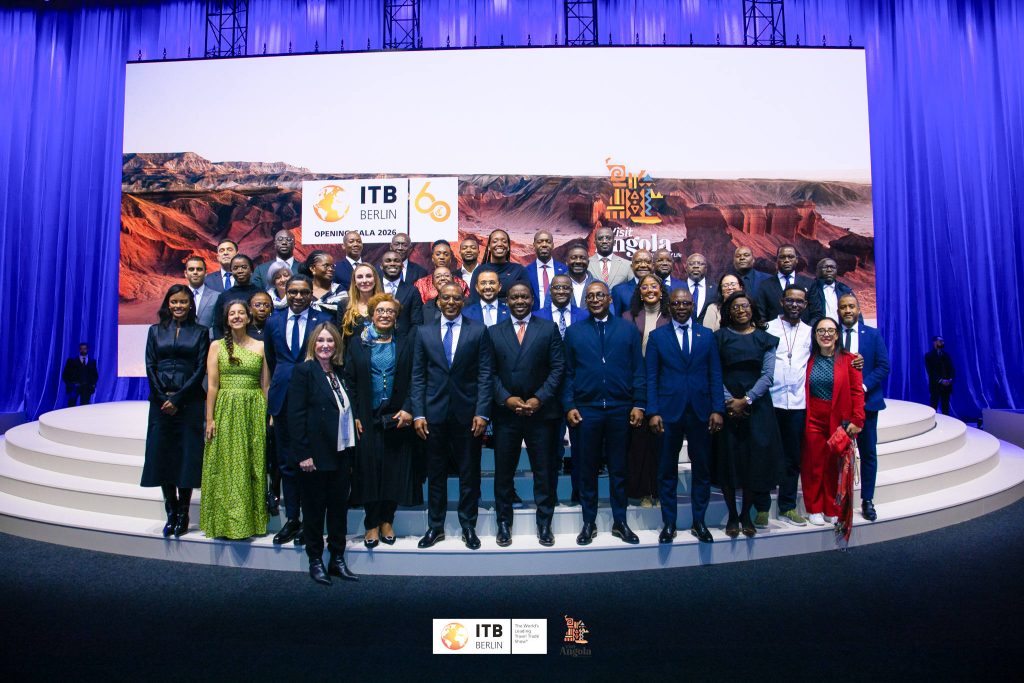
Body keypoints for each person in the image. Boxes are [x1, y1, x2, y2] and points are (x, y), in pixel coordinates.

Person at [563, 281, 646, 546]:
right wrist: (569, 405)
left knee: (619, 469)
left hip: (621, 409)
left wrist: (639, 403)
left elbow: (638, 369)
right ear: (585, 301)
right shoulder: (574, 332)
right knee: (586, 469)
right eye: (590, 296)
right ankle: (589, 522)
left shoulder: (627, 329)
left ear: (610, 299)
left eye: (600, 295)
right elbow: (568, 373)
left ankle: (620, 521)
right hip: (586, 410)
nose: (595, 299)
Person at [411, 284, 494, 550]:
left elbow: (485, 374)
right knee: (436, 474)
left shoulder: (478, 331)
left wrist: (482, 411)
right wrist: (418, 413)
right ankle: (435, 527)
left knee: (469, 473)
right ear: (438, 301)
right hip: (433, 415)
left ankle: (468, 525)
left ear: (463, 301)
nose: (450, 302)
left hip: (468, 414)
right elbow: (418, 376)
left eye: (456, 298)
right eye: (445, 297)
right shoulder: (423, 332)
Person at [489, 284, 565, 547]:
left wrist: (538, 399)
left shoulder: (548, 328)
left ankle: (544, 524)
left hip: (541, 413)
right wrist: (506, 399)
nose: (519, 300)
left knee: (544, 472)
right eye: (514, 297)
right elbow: (488, 372)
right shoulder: (494, 332)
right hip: (506, 414)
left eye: (524, 296)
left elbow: (558, 368)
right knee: (503, 474)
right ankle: (503, 524)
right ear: (507, 301)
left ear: (533, 299)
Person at [646, 288, 724, 543]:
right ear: (669, 306)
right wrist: (652, 411)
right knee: (666, 469)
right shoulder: (657, 336)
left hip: (701, 411)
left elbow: (715, 374)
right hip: (668, 412)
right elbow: (651, 377)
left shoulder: (707, 335)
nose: (681, 307)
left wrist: (717, 409)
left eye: (686, 303)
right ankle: (669, 522)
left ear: (692, 306)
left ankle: (699, 521)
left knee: (702, 469)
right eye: (676, 303)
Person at [264, 275, 335, 544]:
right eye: (292, 292)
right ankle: (292, 519)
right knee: (287, 463)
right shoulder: (273, 321)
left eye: (303, 292)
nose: (297, 297)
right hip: (282, 398)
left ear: (310, 294)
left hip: (314, 398)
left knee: (312, 463)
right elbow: (272, 359)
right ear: (285, 292)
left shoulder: (323, 320)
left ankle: (310, 521)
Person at [345, 294, 420, 548]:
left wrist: (409, 409)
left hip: (397, 416)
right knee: (369, 470)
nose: (385, 315)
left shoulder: (406, 342)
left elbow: (415, 378)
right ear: (372, 315)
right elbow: (350, 381)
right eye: (380, 311)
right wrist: (355, 415)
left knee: (393, 470)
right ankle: (371, 523)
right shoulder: (358, 343)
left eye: (390, 311)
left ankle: (387, 520)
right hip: (367, 416)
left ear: (396, 317)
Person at [287, 322, 358, 584]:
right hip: (314, 457)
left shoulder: (339, 372)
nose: (325, 345)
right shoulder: (304, 372)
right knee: (314, 511)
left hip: (341, 453)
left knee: (339, 510)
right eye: (320, 340)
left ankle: (337, 559)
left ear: (337, 345)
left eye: (330, 341)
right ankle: (315, 560)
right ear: (313, 344)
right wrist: (303, 454)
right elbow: (295, 416)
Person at [141, 286, 209, 537]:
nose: (178, 306)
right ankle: (170, 511)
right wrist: (163, 398)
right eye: (174, 302)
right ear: (167, 304)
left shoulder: (201, 332)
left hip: (189, 403)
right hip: (160, 404)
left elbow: (200, 369)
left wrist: (178, 399)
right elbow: (150, 365)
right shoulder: (155, 331)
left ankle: (183, 512)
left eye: (183, 302)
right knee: (163, 456)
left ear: (191, 305)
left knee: (186, 457)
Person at [199, 301, 271, 539]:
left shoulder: (261, 346)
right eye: (232, 314)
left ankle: (251, 522)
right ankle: (225, 522)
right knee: (225, 465)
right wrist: (210, 419)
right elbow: (212, 385)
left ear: (249, 318)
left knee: (252, 464)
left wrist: (269, 415)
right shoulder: (216, 346)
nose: (237, 317)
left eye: (241, 313)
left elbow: (265, 385)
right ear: (227, 319)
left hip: (253, 409)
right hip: (226, 409)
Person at [714, 291, 783, 537]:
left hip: (757, 406)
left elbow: (768, 375)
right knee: (728, 461)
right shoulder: (719, 338)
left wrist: (747, 400)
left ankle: (746, 515)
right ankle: (732, 515)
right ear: (728, 312)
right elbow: (715, 372)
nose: (741, 310)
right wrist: (729, 401)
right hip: (726, 407)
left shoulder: (766, 339)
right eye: (735, 307)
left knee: (754, 462)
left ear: (752, 309)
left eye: (745, 306)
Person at [801, 316, 865, 526]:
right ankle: (814, 508)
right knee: (813, 464)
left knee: (833, 465)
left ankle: (831, 508)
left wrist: (857, 420)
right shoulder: (808, 359)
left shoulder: (850, 360)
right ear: (815, 335)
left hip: (838, 420)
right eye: (821, 331)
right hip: (813, 417)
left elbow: (857, 392)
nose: (826, 334)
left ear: (837, 335)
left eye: (830, 330)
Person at [534, 274, 588, 496]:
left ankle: (580, 492)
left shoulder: (584, 315)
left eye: (566, 288)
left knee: (582, 448)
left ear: (572, 291)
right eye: (557, 288)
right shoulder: (537, 316)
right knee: (550, 448)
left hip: (579, 389)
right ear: (550, 291)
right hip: (548, 391)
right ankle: (550, 495)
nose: (562, 291)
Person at [838, 293, 890, 521]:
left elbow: (883, 366)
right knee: (838, 453)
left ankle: (867, 499)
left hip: (867, 405)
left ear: (858, 310)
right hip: (839, 407)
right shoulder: (831, 335)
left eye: (851, 306)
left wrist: (862, 387)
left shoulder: (873, 334)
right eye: (843, 307)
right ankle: (839, 498)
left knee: (868, 453)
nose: (848, 310)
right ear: (838, 311)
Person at [766, 285, 814, 527]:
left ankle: (787, 506)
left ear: (805, 305)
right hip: (771, 401)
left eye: (799, 302)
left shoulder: (810, 332)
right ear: (782, 301)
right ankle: (761, 507)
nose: (795, 305)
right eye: (790, 300)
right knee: (766, 454)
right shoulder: (768, 328)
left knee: (792, 457)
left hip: (797, 404)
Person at [621, 274, 670, 507]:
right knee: (639, 443)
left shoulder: (671, 317)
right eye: (645, 287)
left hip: (664, 385)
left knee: (661, 441)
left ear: (661, 290)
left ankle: (658, 490)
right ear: (639, 292)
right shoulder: (627, 317)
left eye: (654, 286)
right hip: (636, 385)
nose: (650, 290)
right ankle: (641, 492)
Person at [755, 244, 813, 322]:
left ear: (796, 260)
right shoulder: (765, 285)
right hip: (773, 329)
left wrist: (807, 329)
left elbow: (816, 313)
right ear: (777, 260)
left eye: (790, 257)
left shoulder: (810, 284)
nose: (786, 260)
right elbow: (761, 315)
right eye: (782, 257)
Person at [470, 229, 530, 302]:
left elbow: (526, 298)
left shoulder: (519, 270)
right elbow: (474, 301)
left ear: (508, 247)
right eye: (495, 241)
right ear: (489, 247)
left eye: (504, 241)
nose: (500, 244)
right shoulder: (479, 271)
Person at [211, 254, 260, 339]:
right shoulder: (224, 296)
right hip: (230, 343)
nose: (240, 271)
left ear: (251, 270)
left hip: (257, 342)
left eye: (244, 267)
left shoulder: (260, 294)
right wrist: (222, 344)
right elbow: (217, 326)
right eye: (235, 268)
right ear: (231, 271)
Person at [378, 249, 425, 336]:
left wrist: (407, 341)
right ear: (381, 266)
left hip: (404, 342)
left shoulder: (412, 291)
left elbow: (417, 323)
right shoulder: (374, 288)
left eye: (396, 261)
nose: (392, 263)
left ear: (402, 266)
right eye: (388, 261)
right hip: (376, 341)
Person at [338, 263, 383, 339]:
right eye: (360, 277)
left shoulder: (385, 304)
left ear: (375, 280)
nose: (364, 280)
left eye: (368, 276)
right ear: (354, 281)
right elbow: (340, 337)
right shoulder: (344, 304)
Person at [525, 230, 567, 311]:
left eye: (548, 242)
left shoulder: (564, 270)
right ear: (534, 245)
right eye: (540, 242)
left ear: (553, 245)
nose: (544, 244)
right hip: (535, 316)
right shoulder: (526, 271)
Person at [807, 257, 853, 322]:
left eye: (832, 267)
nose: (829, 270)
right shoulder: (810, 288)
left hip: (840, 327)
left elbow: (855, 312)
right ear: (818, 270)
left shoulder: (844, 290)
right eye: (825, 267)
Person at [610, 249, 654, 317]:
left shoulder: (664, 289)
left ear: (653, 266)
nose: (643, 265)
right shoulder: (619, 291)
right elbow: (617, 319)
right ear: (631, 266)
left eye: (647, 262)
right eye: (638, 262)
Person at [305, 250, 348, 317]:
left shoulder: (339, 290)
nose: (330, 269)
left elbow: (345, 315)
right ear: (313, 268)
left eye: (332, 266)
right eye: (326, 265)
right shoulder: (303, 289)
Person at [184, 256, 218, 332]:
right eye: (191, 269)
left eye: (199, 269)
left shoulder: (216, 296)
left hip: (208, 338)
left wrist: (205, 337)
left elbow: (218, 324)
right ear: (186, 273)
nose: (195, 272)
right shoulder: (179, 296)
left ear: (205, 273)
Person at [684, 253, 717, 324]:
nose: (696, 266)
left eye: (700, 264)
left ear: (706, 269)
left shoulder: (715, 289)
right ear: (686, 268)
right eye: (691, 264)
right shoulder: (677, 287)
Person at [62, 342, 98, 406]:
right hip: (74, 388)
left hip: (87, 388)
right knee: (71, 406)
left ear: (87, 349)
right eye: (81, 349)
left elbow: (95, 375)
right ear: (79, 350)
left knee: (85, 407)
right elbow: (65, 375)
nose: (83, 350)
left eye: (84, 349)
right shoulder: (71, 361)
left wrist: (93, 384)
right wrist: (71, 385)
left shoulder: (92, 361)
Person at [925, 336, 954, 415]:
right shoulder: (929, 355)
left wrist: (950, 379)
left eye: (943, 341)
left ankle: (946, 421)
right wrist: (940, 380)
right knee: (933, 406)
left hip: (947, 385)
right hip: (936, 385)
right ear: (935, 342)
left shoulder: (946, 355)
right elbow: (930, 371)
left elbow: (951, 368)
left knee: (945, 407)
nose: (942, 343)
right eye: (940, 341)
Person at [565, 244, 597, 308]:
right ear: (566, 262)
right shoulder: (556, 285)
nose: (578, 261)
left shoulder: (600, 285)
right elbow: (548, 309)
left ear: (588, 262)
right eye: (574, 257)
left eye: (583, 258)